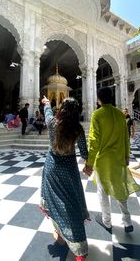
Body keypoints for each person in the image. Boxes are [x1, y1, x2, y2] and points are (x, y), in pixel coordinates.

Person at [83, 87, 140, 234]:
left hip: (103, 161)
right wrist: (127, 155)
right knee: (120, 188)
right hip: (119, 158)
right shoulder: (120, 114)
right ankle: (127, 221)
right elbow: (125, 137)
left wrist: (89, 163)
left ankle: (106, 222)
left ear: (98, 99)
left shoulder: (97, 114)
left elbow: (94, 141)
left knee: (102, 191)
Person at [40, 96, 89, 261]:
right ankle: (79, 246)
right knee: (70, 204)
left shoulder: (53, 123)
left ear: (62, 109)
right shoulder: (78, 129)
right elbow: (84, 151)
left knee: (54, 202)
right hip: (69, 170)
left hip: (52, 167)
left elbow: (47, 114)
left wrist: (47, 103)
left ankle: (61, 237)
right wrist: (89, 165)